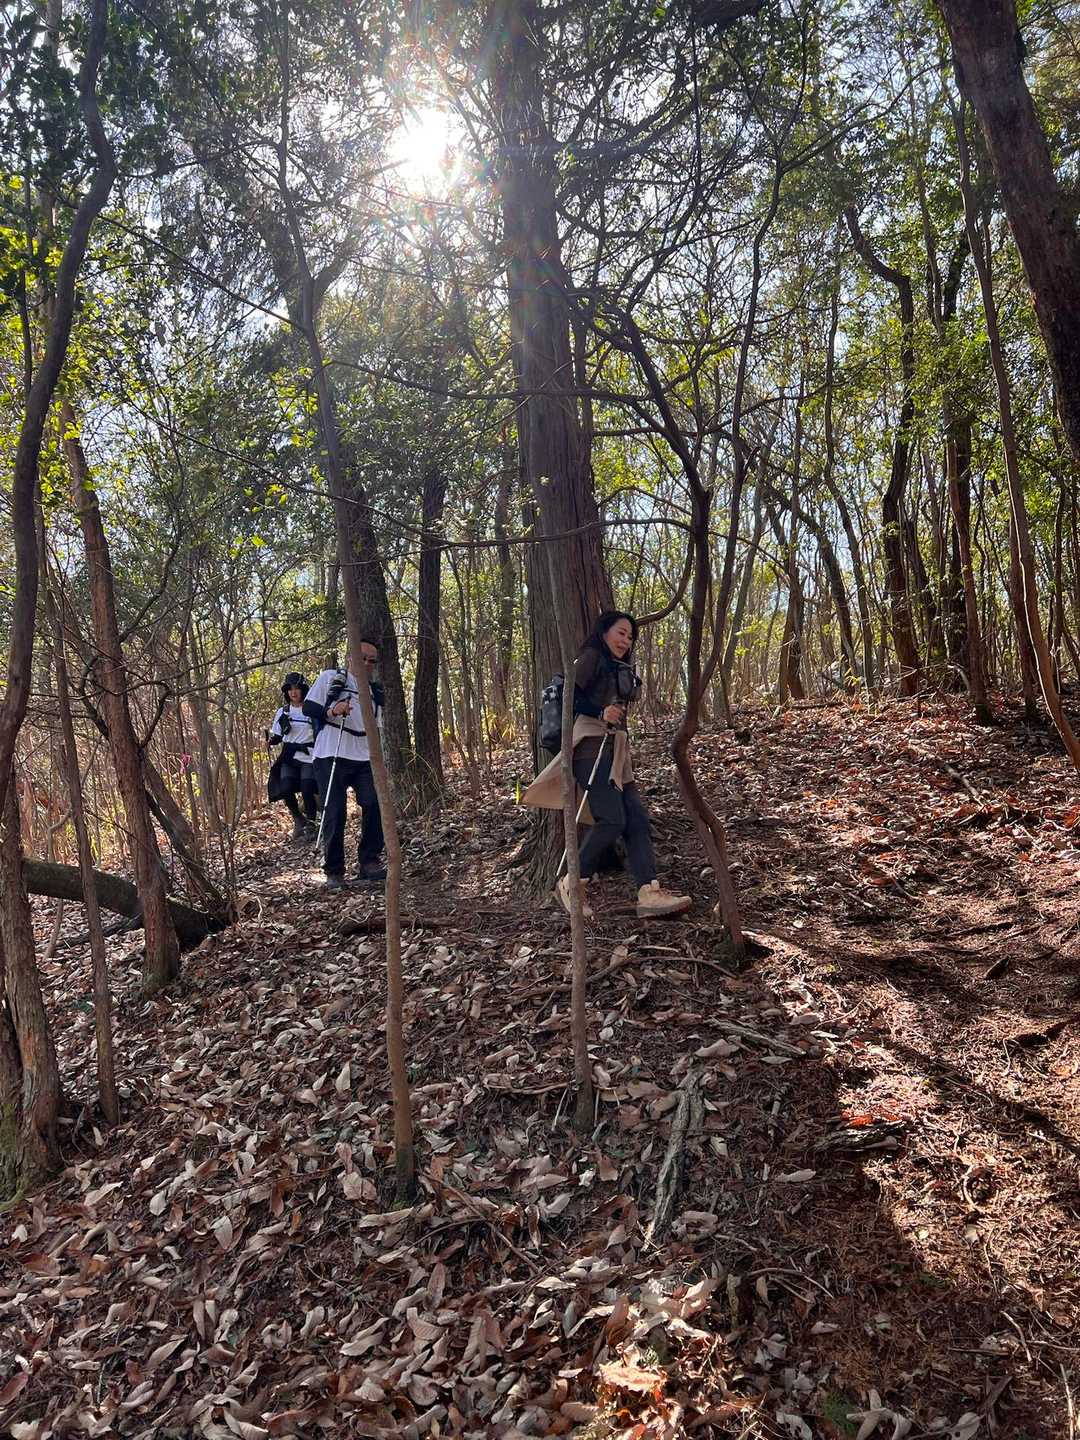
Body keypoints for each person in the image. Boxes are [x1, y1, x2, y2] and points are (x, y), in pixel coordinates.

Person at [524, 610, 691, 919]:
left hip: (615, 748)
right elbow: (568, 694)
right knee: (612, 819)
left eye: (630, 637)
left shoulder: (619, 666)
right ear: (603, 632)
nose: (626, 640)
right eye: (620, 633)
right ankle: (572, 883)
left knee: (636, 819)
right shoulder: (591, 657)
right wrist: (600, 712)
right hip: (590, 746)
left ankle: (649, 892)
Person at [303, 640, 386, 893]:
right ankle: (334, 870)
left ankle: (369, 861)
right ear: (351, 656)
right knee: (335, 810)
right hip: (331, 752)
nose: (367, 664)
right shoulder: (330, 678)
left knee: (374, 803)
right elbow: (309, 707)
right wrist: (333, 710)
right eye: (362, 657)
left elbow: (377, 726)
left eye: (372, 661)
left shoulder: (373, 692)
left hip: (363, 755)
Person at [268, 673, 319, 842]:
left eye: (296, 688)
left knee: (307, 787)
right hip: (289, 756)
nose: (293, 692)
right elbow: (277, 735)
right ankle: (298, 818)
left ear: (303, 689)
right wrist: (271, 740)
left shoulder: (311, 710)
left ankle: (311, 823)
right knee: (286, 787)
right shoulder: (283, 711)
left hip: (308, 755)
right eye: (290, 689)